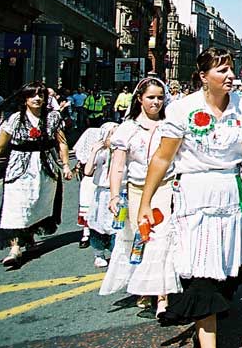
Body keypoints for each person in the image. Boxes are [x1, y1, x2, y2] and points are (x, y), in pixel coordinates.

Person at [136, 48, 242, 348]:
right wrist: (145, 202)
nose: (230, 75)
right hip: (195, 195)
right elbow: (163, 158)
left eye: (230, 68)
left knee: (225, 269)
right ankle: (208, 337)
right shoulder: (182, 109)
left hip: (230, 192)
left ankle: (211, 320)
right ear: (203, 76)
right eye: (222, 70)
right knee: (200, 270)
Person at [100, 77, 176, 318]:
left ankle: (162, 296)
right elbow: (118, 167)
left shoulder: (171, 125)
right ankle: (144, 286)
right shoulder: (127, 129)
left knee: (163, 239)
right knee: (141, 238)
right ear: (139, 99)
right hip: (136, 190)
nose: (156, 102)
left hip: (166, 188)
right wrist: (114, 195)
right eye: (151, 97)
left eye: (160, 97)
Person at [0, 83, 73, 265]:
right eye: (32, 95)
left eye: (40, 95)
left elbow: (62, 143)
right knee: (16, 205)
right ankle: (15, 249)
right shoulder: (15, 119)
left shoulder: (53, 117)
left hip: (45, 168)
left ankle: (29, 237)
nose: (37, 98)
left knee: (37, 202)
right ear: (25, 99)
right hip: (19, 168)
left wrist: (66, 165)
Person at [76, 122, 119, 266]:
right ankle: (99, 253)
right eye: (111, 134)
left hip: (118, 193)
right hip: (101, 194)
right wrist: (94, 152)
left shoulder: (123, 153)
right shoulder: (101, 154)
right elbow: (87, 172)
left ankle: (116, 252)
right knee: (98, 224)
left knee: (117, 226)